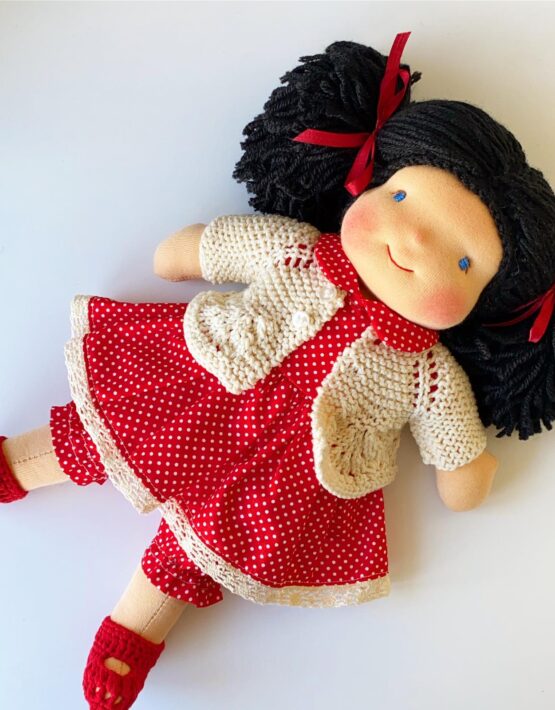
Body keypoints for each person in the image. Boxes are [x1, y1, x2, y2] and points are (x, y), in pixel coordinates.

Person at [2, 32, 554, 710]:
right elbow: (220, 248)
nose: (413, 241)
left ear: (481, 300)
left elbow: (452, 445)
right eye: (402, 200)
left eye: (462, 262)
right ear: (373, 181)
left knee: (196, 553)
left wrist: (464, 467)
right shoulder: (300, 252)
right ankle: (14, 465)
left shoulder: (425, 371)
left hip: (288, 475)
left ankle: (132, 634)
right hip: (205, 388)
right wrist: (194, 251)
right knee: (106, 437)